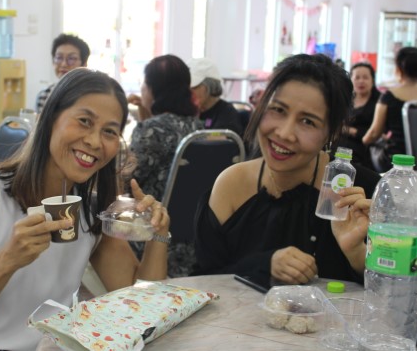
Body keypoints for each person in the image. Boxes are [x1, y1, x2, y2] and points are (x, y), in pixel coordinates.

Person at [0, 68, 170, 351]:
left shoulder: (92, 210)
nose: (95, 142)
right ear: (50, 119)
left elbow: (140, 305)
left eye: (109, 131)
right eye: (84, 121)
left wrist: (158, 234)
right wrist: (8, 259)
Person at [194, 54, 380, 285]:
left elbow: (400, 294)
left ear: (331, 133)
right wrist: (264, 265)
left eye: (308, 122)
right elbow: (204, 280)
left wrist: (357, 254)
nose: (284, 133)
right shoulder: (231, 185)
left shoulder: (361, 194)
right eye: (278, 110)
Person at [128, 54, 202, 277]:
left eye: (144, 83)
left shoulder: (152, 130)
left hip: (152, 236)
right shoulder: (199, 128)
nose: (142, 88)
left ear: (154, 89)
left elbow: (126, 180)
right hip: (192, 245)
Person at [362, 47, 417, 172]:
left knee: (368, 150)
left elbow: (374, 133)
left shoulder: (389, 96)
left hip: (395, 159)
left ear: (398, 69)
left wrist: (362, 142)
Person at [339, 62, 381, 169]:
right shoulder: (346, 98)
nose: (361, 81)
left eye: (365, 77)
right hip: (342, 143)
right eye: (357, 77)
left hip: (366, 148)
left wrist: (352, 131)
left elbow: (378, 133)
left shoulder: (380, 102)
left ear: (372, 80)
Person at [188, 58, 243, 136]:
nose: (189, 91)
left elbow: (219, 140)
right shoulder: (189, 112)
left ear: (210, 85)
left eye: (194, 87)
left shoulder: (226, 114)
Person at [35, 33, 90, 113]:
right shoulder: (45, 95)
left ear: (84, 64)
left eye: (71, 58)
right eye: (59, 58)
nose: (64, 64)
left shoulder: (91, 95)